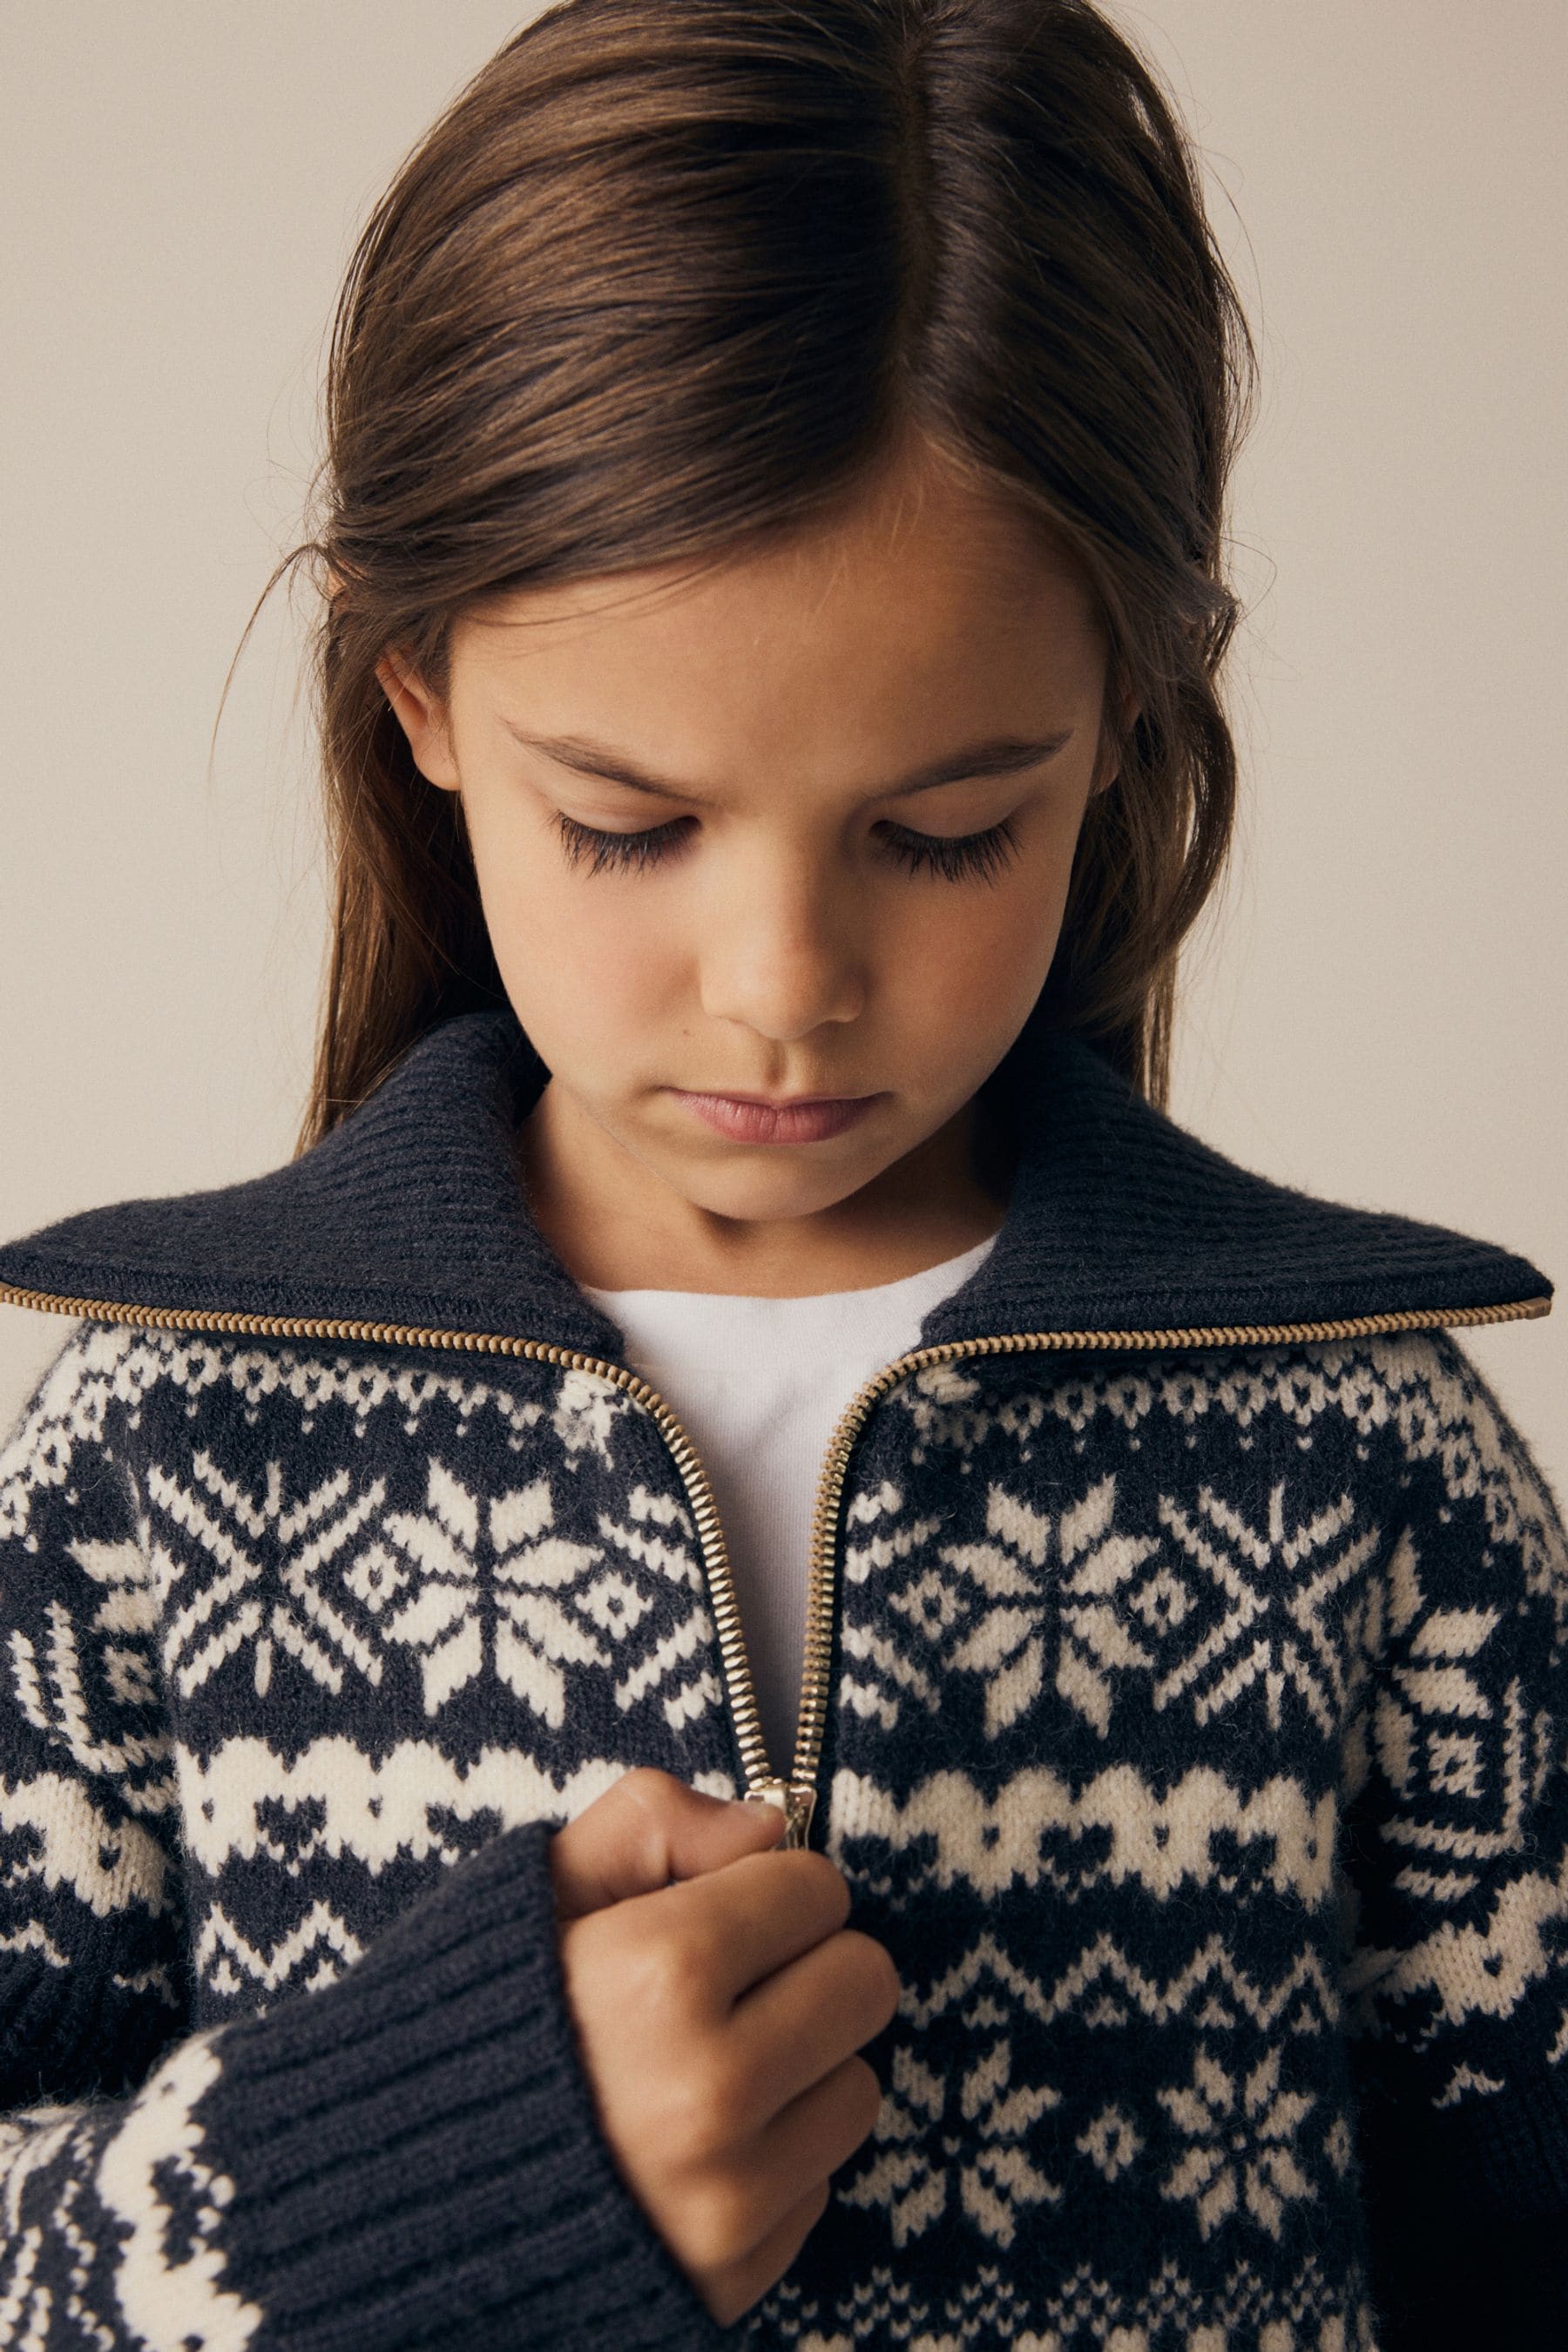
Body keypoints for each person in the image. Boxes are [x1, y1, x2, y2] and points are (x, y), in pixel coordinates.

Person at [0, 1, 1561, 2346]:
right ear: (417, 689)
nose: (786, 986)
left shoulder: (1366, 1458)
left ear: (1124, 712)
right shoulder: (158, 1448)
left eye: (948, 830)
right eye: (627, 821)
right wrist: (416, 2182)